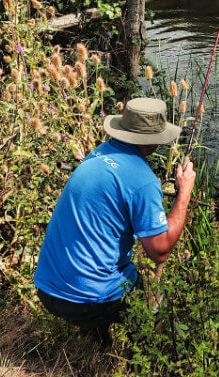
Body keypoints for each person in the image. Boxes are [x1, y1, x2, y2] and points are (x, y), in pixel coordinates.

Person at [34, 97, 195, 346]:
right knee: (150, 306)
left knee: (112, 279)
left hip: (46, 288)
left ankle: (98, 344)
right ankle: (139, 363)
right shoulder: (143, 180)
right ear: (153, 139)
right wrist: (184, 192)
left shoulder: (98, 152)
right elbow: (159, 251)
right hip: (84, 301)